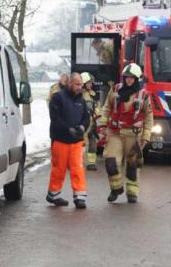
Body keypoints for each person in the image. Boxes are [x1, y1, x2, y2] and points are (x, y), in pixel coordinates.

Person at [100, 63, 153, 203]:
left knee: (133, 165)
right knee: (111, 162)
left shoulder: (143, 95)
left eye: (132, 78)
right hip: (115, 133)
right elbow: (106, 107)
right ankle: (116, 189)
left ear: (137, 79)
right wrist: (103, 125)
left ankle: (132, 193)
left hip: (134, 134)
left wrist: (146, 136)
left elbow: (149, 117)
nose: (129, 80)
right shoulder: (116, 90)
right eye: (126, 77)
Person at [47, 73, 90, 209]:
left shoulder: (81, 100)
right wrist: (68, 129)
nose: (80, 88)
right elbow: (55, 118)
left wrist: (83, 127)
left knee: (78, 169)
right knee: (58, 169)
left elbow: (86, 118)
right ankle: (53, 195)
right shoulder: (58, 98)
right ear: (70, 83)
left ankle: (79, 197)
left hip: (76, 142)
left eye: (81, 85)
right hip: (60, 140)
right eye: (77, 84)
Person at [80, 72, 100, 171]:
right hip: (81, 123)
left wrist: (95, 113)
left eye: (91, 83)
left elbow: (97, 106)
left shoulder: (93, 94)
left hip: (91, 123)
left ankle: (91, 163)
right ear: (83, 83)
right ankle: (78, 163)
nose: (90, 84)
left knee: (92, 143)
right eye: (88, 83)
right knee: (81, 144)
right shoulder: (78, 94)